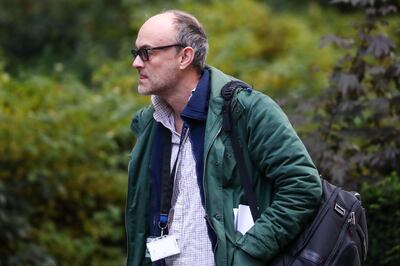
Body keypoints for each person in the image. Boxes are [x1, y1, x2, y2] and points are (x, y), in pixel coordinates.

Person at [126, 9, 322, 266]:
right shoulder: (150, 124)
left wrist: (247, 253)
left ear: (185, 56)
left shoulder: (247, 110)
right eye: (136, 53)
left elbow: (303, 186)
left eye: (147, 53)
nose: (136, 63)